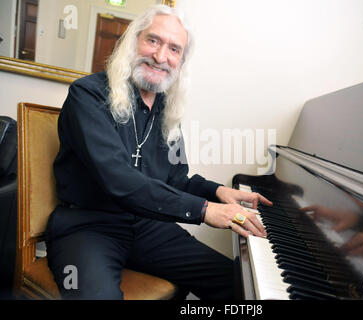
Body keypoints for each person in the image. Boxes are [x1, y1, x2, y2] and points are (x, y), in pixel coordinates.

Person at [45, 5, 271, 300]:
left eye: (174, 49)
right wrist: (204, 210)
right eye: (153, 41)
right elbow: (119, 179)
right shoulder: (87, 95)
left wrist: (218, 193)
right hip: (87, 227)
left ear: (181, 62)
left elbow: (177, 179)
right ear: (134, 42)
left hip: (145, 227)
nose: (161, 56)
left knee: (238, 286)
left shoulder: (167, 109)